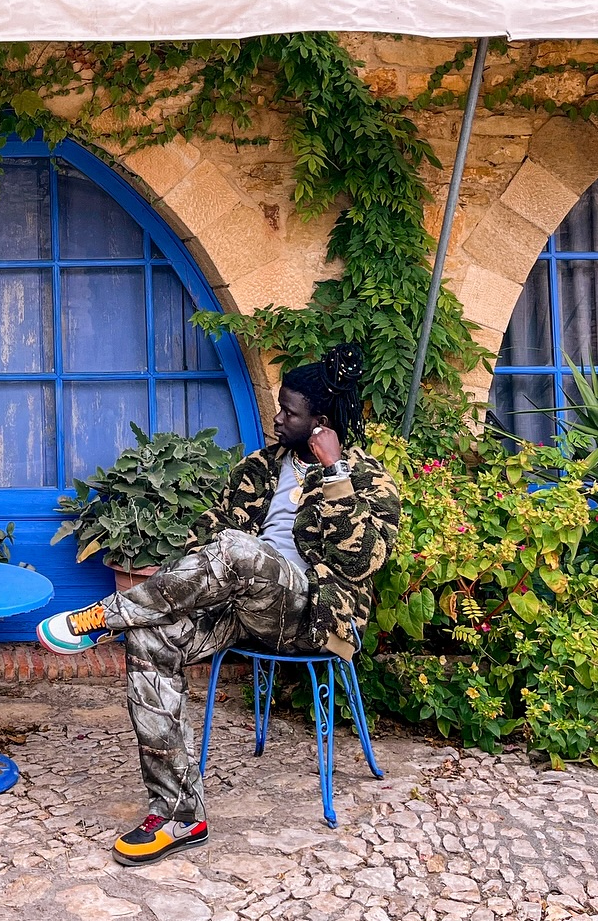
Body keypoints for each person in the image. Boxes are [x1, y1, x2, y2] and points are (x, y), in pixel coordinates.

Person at [37, 344, 400, 866]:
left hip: (308, 617)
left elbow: (364, 561)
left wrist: (335, 471)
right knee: (151, 638)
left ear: (320, 422)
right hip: (239, 609)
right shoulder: (258, 468)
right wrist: (185, 593)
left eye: (289, 412)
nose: (277, 418)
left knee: (237, 548)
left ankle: (108, 615)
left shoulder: (366, 479)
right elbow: (205, 537)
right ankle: (180, 814)